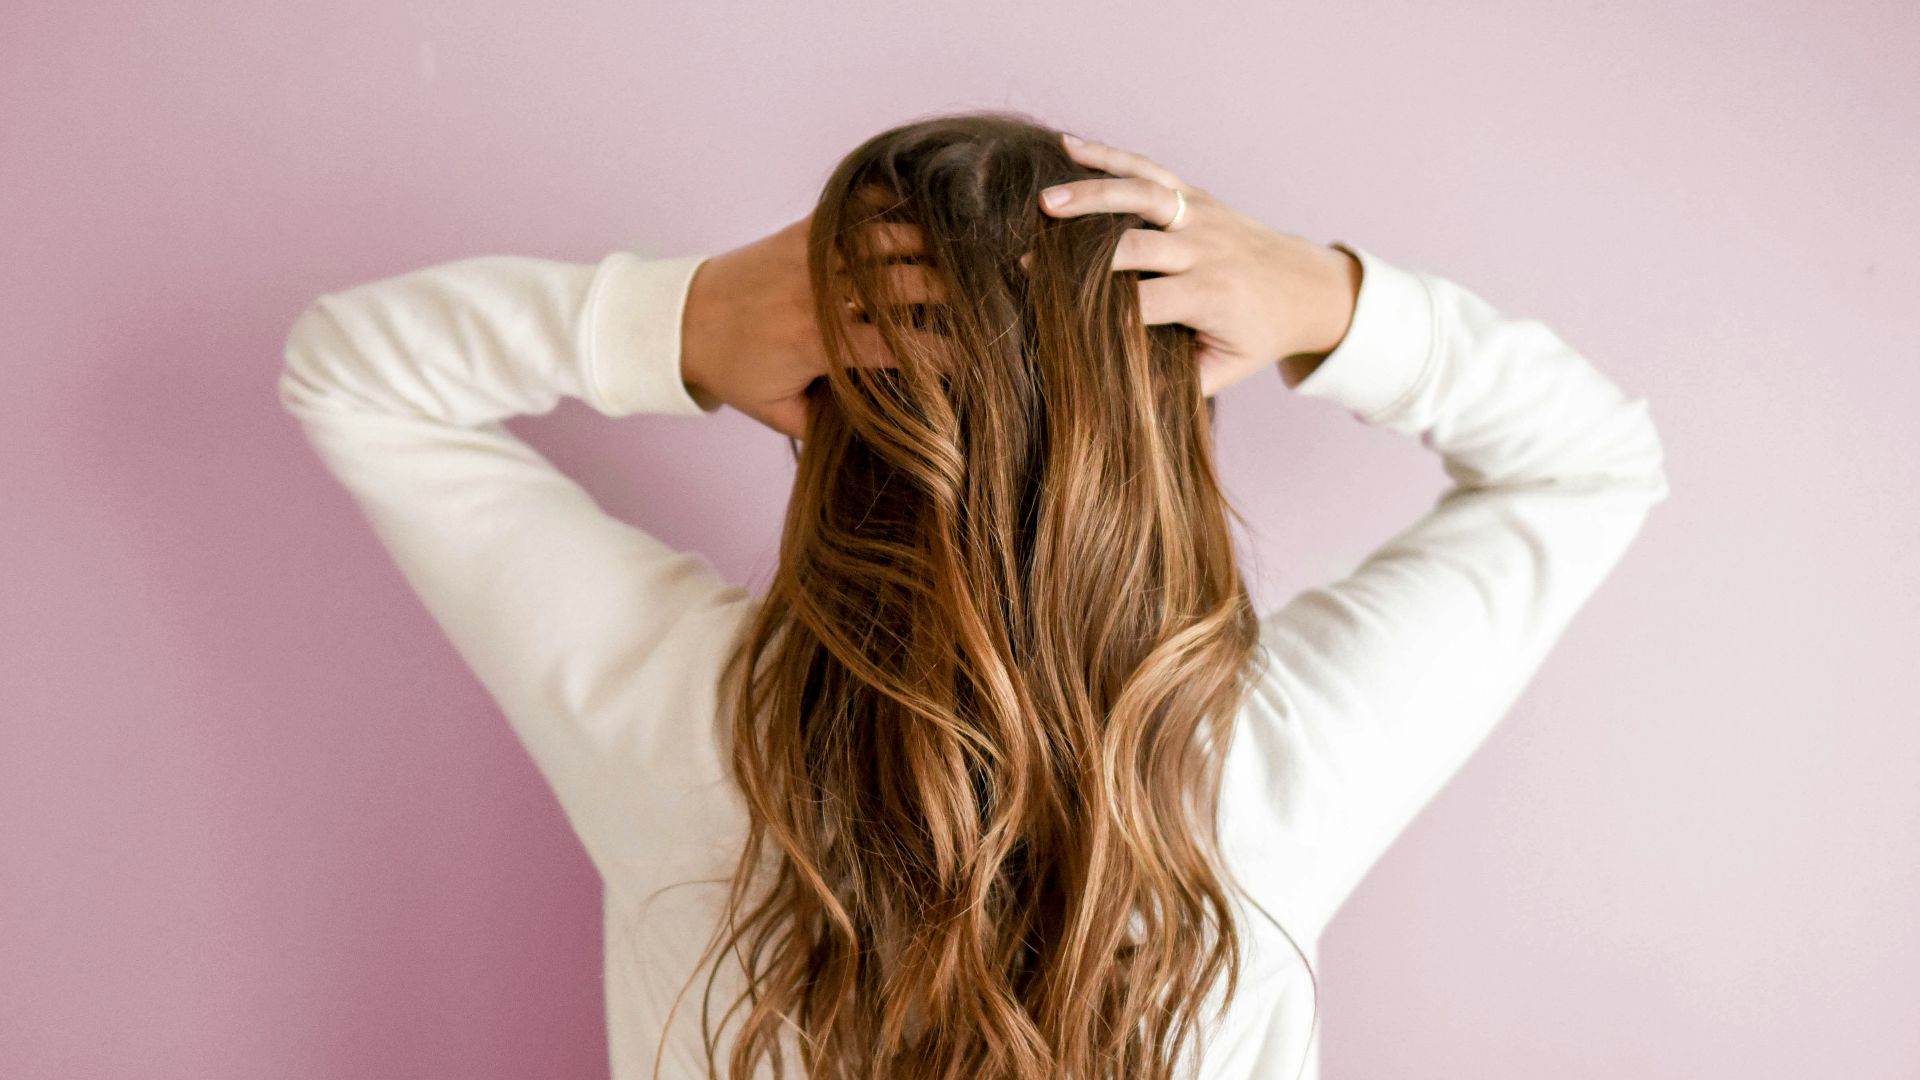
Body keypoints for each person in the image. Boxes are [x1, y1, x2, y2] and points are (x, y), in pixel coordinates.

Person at [277, 112, 1669, 1080]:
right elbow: (1591, 464)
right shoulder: (1262, 773)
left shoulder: (688, 728)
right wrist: (1327, 301)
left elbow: (352, 373)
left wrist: (685, 317)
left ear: (824, 411)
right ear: (1164, 431)